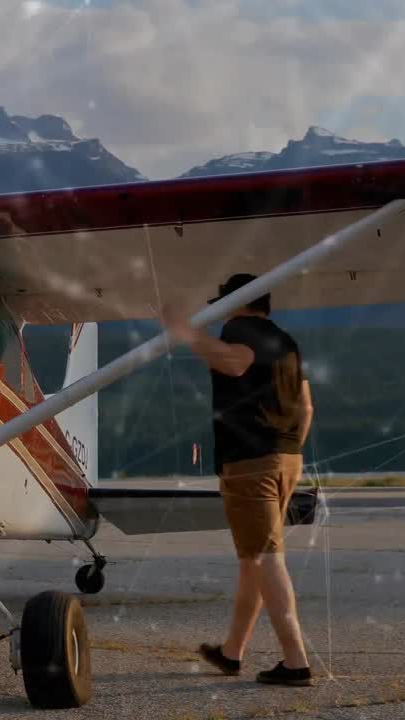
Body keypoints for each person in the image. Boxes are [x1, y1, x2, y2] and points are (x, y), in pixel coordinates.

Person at [161, 273, 315, 687]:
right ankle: (232, 653)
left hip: (250, 461)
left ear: (236, 303)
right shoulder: (286, 341)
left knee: (264, 557)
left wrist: (183, 332)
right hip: (286, 458)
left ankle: (296, 661)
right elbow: (306, 404)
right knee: (253, 559)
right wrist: (288, 451)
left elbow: (232, 361)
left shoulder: (237, 330)